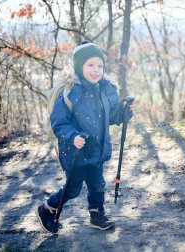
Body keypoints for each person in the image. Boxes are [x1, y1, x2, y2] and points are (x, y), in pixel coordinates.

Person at [35, 40, 138, 233]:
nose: (96, 70)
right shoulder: (69, 92)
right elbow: (59, 123)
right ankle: (47, 207)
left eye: (99, 65)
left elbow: (113, 116)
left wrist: (125, 109)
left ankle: (97, 215)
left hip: (97, 148)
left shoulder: (105, 89)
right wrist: (73, 136)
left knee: (97, 184)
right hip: (75, 149)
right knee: (73, 188)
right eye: (90, 65)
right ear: (79, 67)